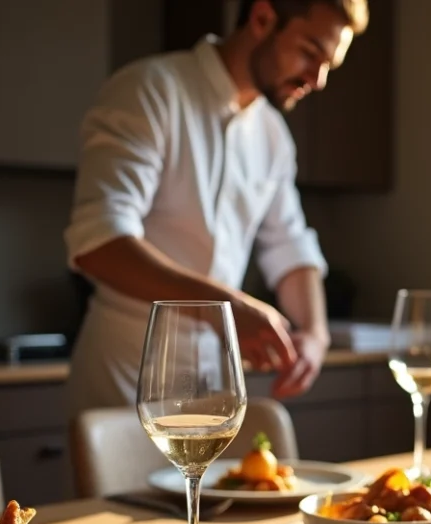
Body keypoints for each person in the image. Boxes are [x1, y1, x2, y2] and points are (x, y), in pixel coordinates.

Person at [62, 0, 368, 418]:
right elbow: (99, 242)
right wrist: (228, 309)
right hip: (126, 376)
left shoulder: (272, 135)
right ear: (262, 18)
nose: (317, 80)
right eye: (310, 52)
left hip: (215, 382)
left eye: (328, 65)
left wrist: (315, 334)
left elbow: (290, 246)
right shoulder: (150, 91)